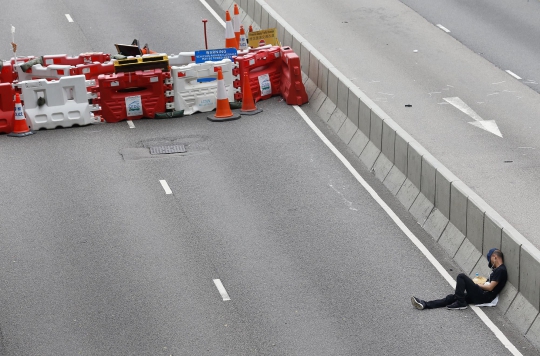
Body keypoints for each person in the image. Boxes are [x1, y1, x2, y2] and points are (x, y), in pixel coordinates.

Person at [411, 248, 507, 310]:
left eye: (490, 261)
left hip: (484, 297)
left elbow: (490, 288)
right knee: (452, 297)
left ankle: (461, 303)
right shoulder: (497, 270)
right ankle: (425, 304)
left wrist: (476, 285)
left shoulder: (501, 270)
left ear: (495, 257)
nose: (491, 265)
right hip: (481, 294)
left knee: (461, 276)